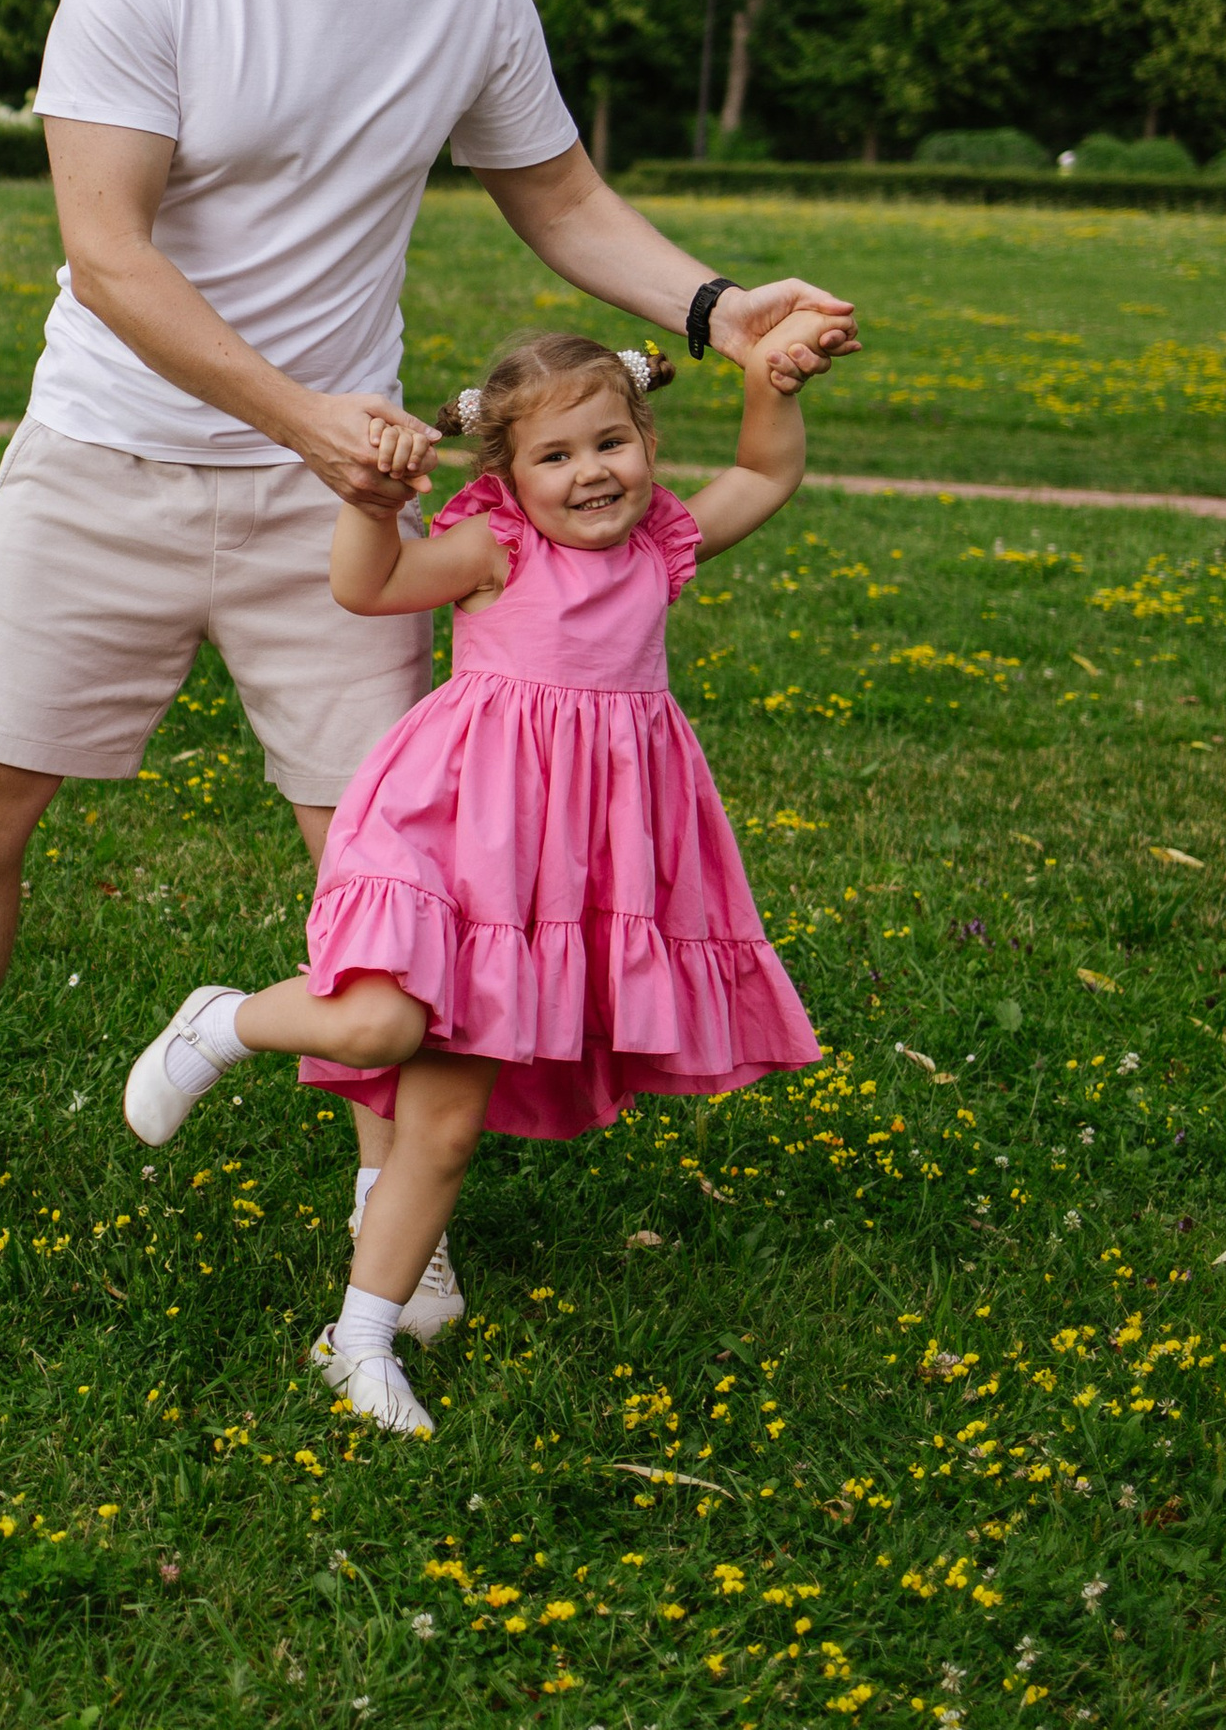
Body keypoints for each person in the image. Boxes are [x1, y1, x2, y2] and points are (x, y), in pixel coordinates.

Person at [0, 0, 858, 1289]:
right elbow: (109, 254)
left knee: (387, 871)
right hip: (111, 457)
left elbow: (563, 200)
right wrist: (305, 417)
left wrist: (719, 310)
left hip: (345, 510)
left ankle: (389, 1210)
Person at [121, 326, 828, 1432]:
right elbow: (372, 584)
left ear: (645, 439)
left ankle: (355, 1340)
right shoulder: (499, 549)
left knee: (444, 1129)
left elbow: (767, 469)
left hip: (564, 875)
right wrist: (371, 498)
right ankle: (227, 1021)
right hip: (459, 835)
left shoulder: (656, 547)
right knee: (373, 1028)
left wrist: (767, 379)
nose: (591, 471)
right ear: (504, 476)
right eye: (555, 455)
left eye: (611, 441)